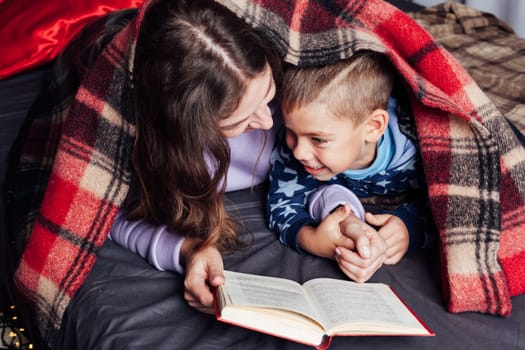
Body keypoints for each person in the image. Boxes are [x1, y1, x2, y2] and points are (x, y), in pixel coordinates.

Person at [109, 0, 391, 315]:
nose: (269, 123)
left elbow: (309, 174)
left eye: (268, 96)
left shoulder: (292, 84)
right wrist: (189, 249)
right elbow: (109, 214)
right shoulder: (158, 149)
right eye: (239, 123)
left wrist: (348, 218)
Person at [267, 51, 430, 283]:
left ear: (373, 127)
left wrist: (409, 227)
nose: (299, 152)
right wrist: (311, 239)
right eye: (291, 132)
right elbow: (282, 204)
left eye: (318, 140)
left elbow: (449, 208)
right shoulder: (299, 138)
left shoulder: (416, 152)